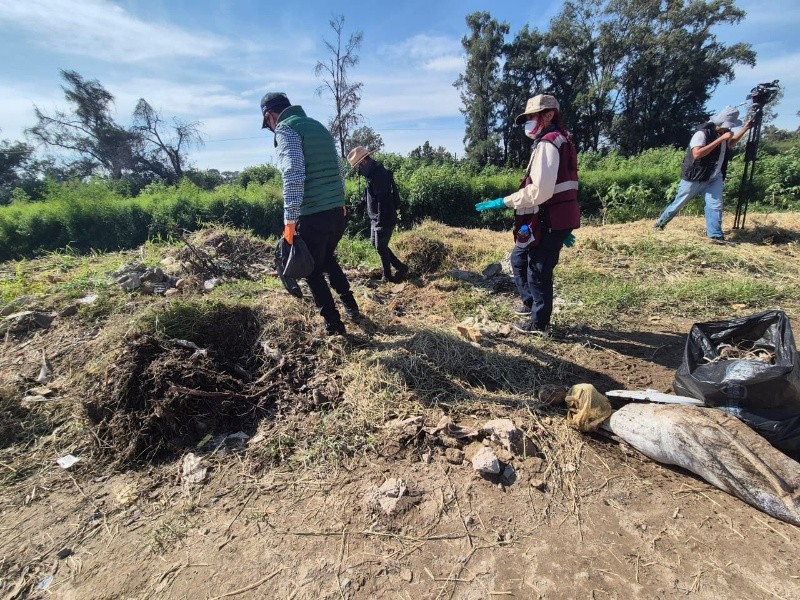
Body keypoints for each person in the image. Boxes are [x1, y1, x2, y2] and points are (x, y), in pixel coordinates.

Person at [475, 94, 580, 336]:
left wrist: (503, 202)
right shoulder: (559, 140)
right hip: (551, 218)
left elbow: (539, 192)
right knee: (519, 258)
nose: (528, 123)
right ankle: (530, 302)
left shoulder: (549, 143)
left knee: (538, 270)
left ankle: (539, 324)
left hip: (548, 218)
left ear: (549, 115)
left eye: (532, 117)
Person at [260, 92, 359, 335]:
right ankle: (351, 306)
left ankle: (334, 326)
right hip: (336, 213)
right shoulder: (318, 127)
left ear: (270, 116)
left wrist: (289, 221)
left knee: (312, 270)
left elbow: (293, 173)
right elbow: (338, 168)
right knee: (327, 259)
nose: (271, 129)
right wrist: (340, 200)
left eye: (268, 125)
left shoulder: (286, 129)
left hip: (312, 214)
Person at [654, 106, 751, 242]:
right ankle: (659, 224)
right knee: (679, 203)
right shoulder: (702, 134)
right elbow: (697, 154)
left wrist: (745, 129)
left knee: (715, 205)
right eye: (728, 125)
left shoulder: (724, 134)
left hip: (714, 176)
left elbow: (730, 144)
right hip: (695, 176)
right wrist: (720, 140)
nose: (729, 128)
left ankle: (715, 235)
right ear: (721, 123)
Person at [346, 146, 409, 283]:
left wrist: (380, 222)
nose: (358, 171)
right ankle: (401, 267)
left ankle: (387, 276)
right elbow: (370, 194)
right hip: (376, 218)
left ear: (363, 162)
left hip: (384, 217)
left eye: (358, 167)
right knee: (376, 245)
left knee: (381, 246)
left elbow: (383, 200)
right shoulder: (372, 174)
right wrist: (362, 204)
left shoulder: (379, 174)